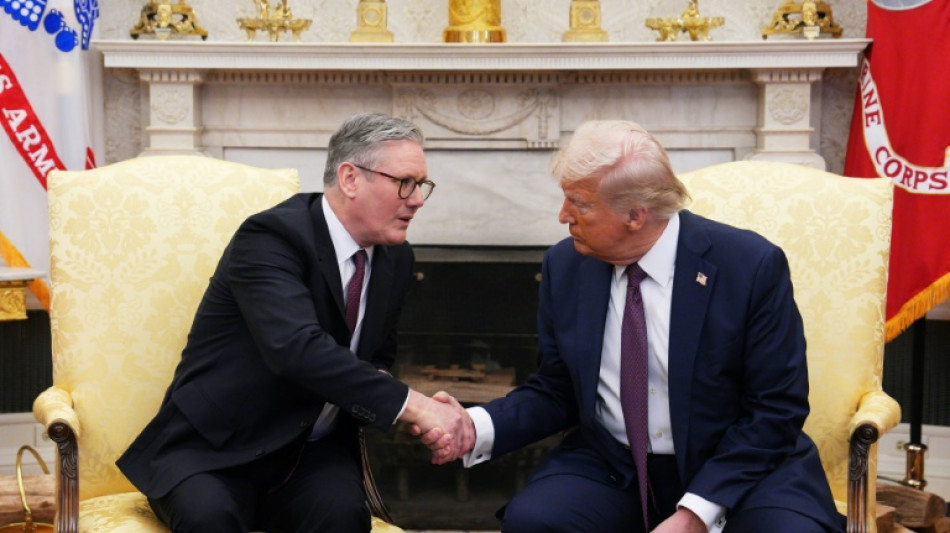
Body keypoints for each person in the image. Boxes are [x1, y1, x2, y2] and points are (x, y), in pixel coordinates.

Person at [423, 120, 845, 532]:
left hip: (739, 467)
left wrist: (695, 514)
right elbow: (556, 389)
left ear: (635, 216)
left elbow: (776, 409)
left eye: (579, 204)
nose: (563, 215)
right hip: (615, 465)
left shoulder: (749, 266)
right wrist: (474, 426)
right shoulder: (566, 265)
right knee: (534, 522)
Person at [117, 113, 468, 533]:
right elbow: (296, 349)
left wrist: (405, 410)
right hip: (215, 448)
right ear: (350, 178)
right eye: (405, 183)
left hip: (308, 453)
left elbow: (376, 359)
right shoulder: (271, 237)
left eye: (422, 185)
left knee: (343, 516)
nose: (418, 200)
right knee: (209, 517)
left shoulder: (396, 258)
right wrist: (416, 406)